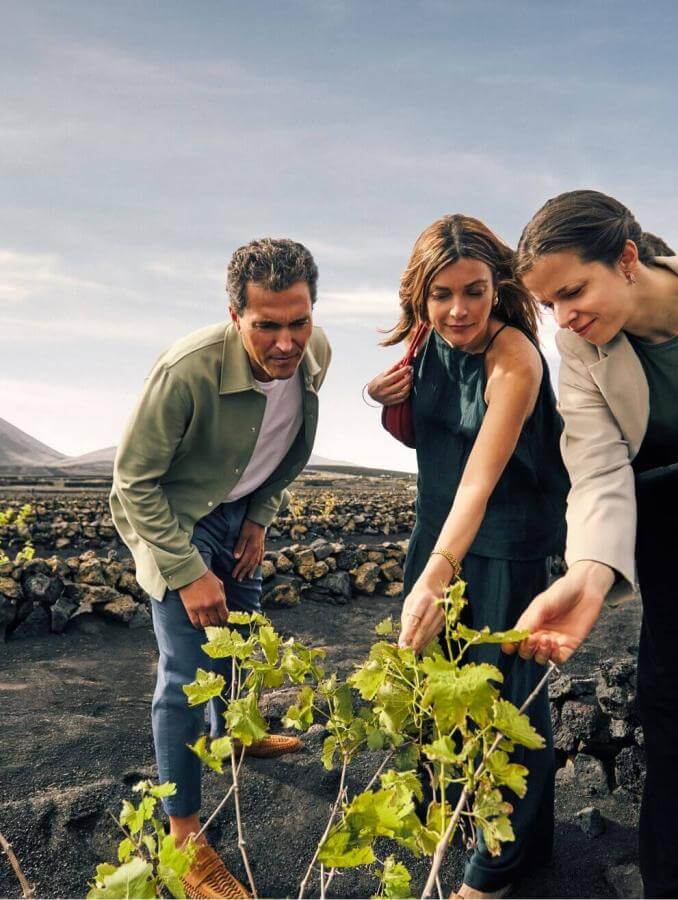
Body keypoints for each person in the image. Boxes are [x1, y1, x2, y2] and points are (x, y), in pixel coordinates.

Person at [110, 238, 331, 899]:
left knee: (243, 633)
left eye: (299, 321)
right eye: (268, 325)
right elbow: (133, 481)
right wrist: (184, 569)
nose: (287, 342)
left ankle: (236, 733)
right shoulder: (188, 371)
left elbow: (287, 448)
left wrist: (260, 519)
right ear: (236, 315)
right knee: (186, 671)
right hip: (177, 518)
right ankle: (185, 839)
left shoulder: (314, 353)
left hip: (241, 514)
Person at [367, 215, 569, 899]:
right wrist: (377, 394)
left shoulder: (516, 361)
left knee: (505, 708)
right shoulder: (425, 343)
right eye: (442, 294)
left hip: (506, 545)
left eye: (475, 292)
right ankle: (462, 827)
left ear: (499, 287)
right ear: (419, 298)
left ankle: (492, 875)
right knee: (432, 693)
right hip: (439, 532)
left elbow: (480, 478)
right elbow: (435, 437)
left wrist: (433, 576)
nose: (459, 310)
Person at [503, 189, 678, 899]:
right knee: (667, 697)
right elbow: (599, 465)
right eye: (548, 304)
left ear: (628, 259)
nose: (562, 318)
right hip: (661, 511)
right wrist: (591, 572)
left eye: (572, 291)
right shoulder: (578, 346)